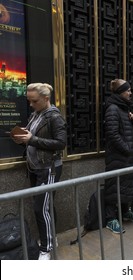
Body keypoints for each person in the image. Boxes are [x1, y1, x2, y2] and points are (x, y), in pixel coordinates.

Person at [11, 83, 67, 260]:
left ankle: (47, 248)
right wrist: (23, 138)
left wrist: (32, 139)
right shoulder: (36, 114)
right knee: (46, 207)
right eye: (29, 100)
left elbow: (61, 143)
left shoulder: (55, 117)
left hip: (48, 168)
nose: (31, 104)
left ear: (45, 99)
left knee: (40, 209)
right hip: (35, 168)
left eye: (34, 101)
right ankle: (51, 239)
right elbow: (32, 137)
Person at [104, 79, 133, 234]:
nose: (130, 92)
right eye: (128, 90)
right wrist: (127, 148)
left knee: (127, 186)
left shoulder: (123, 108)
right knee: (114, 187)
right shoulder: (113, 108)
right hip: (118, 156)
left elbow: (127, 130)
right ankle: (111, 219)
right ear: (121, 92)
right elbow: (112, 133)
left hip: (127, 156)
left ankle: (125, 212)